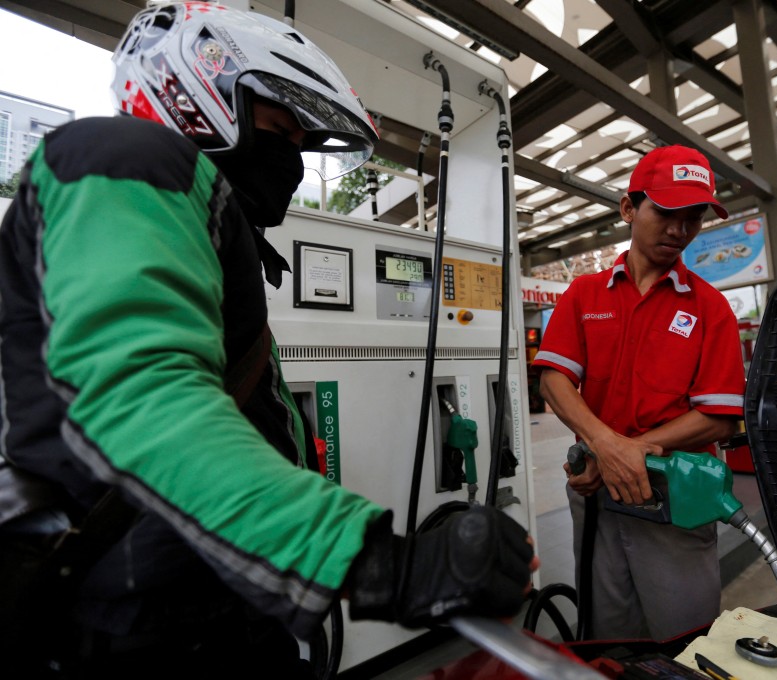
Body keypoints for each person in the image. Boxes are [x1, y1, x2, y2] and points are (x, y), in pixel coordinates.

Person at [0, 3, 535, 676]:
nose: (290, 158)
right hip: (137, 630)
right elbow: (139, 397)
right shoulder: (122, 156)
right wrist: (378, 563)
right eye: (280, 128)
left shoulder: (198, 219)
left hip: (206, 602)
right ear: (200, 89)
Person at [533, 145, 746, 640]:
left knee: (684, 637)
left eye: (692, 218)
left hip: (676, 496)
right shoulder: (583, 294)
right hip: (598, 491)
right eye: (667, 212)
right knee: (608, 632)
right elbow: (554, 380)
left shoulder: (711, 309)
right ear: (629, 209)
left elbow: (718, 417)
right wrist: (605, 449)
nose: (679, 230)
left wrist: (629, 451)